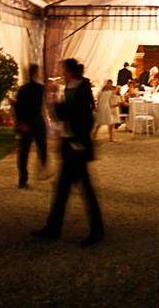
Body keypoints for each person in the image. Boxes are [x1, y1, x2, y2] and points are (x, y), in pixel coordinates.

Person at [32, 58, 104, 246]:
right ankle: (53, 228)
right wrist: (54, 99)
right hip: (69, 144)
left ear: (70, 71)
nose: (61, 72)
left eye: (63, 69)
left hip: (76, 147)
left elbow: (84, 117)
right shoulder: (71, 87)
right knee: (64, 189)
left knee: (82, 190)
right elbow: (61, 114)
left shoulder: (81, 88)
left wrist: (78, 141)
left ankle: (95, 231)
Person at [14, 64, 48, 189]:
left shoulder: (23, 89)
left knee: (24, 152)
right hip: (36, 122)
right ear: (36, 73)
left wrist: (21, 122)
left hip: (26, 123)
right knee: (42, 147)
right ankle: (43, 168)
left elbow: (18, 107)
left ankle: (23, 179)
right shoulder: (40, 89)